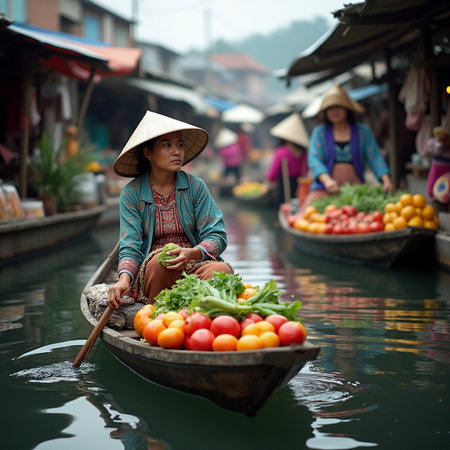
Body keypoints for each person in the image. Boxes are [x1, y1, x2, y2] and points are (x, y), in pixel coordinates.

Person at [107, 111, 233, 310]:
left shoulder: (195, 186)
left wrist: (192, 253)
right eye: (167, 145)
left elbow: (216, 235)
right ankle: (162, 318)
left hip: (194, 263)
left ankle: (201, 321)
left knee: (221, 270)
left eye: (180, 145)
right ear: (148, 153)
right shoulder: (131, 193)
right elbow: (130, 245)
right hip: (154, 269)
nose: (177, 152)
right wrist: (123, 280)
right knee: (160, 263)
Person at [300, 84, 393, 212]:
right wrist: (327, 181)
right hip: (325, 188)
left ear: (347, 108)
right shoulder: (319, 133)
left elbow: (375, 157)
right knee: (310, 215)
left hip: (355, 189)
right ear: (325, 112)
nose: (334, 111)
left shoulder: (362, 131)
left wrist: (385, 179)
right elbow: (314, 159)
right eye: (330, 108)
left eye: (338, 107)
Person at [265, 112, 310, 207]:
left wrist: (268, 183)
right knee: (297, 206)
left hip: (285, 187)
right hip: (300, 186)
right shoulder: (305, 153)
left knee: (283, 207)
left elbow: (273, 174)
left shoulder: (282, 152)